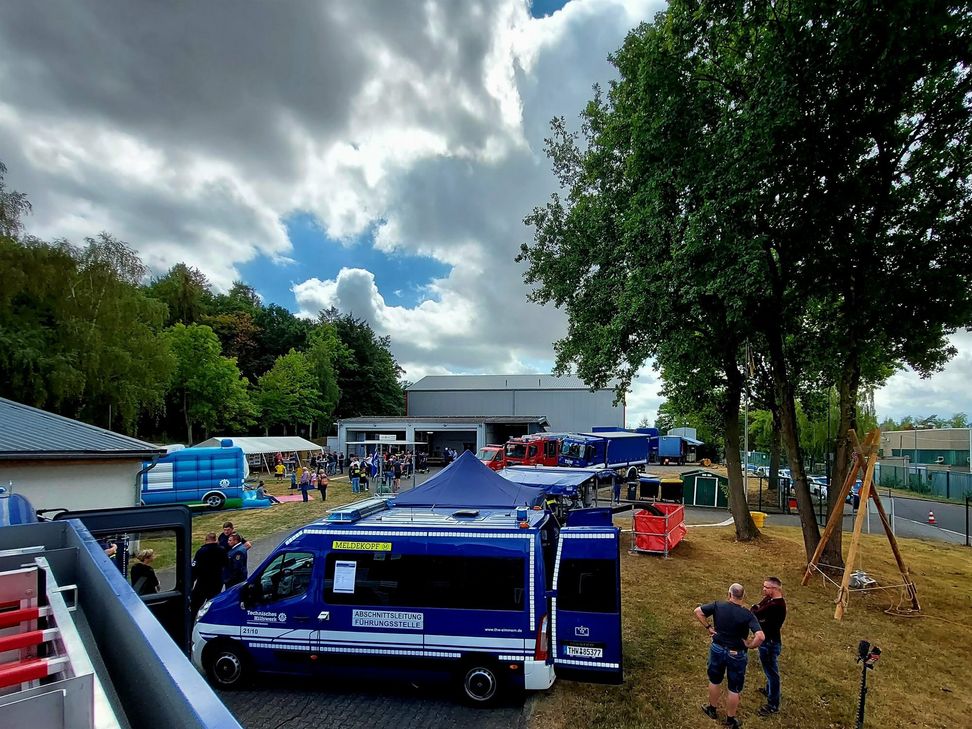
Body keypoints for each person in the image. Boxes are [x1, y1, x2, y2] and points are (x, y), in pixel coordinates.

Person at [695, 583, 765, 728]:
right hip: (736, 654)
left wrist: (708, 627)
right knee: (734, 688)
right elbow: (760, 636)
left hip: (717, 648)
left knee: (714, 680)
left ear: (729, 595)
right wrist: (749, 645)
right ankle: (731, 719)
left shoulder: (718, 606)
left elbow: (698, 611)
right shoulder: (747, 615)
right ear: (743, 596)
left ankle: (712, 709)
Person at [752, 577, 787, 717]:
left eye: (766, 587)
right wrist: (757, 609)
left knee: (772, 673)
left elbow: (755, 612)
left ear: (775, 589)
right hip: (768, 641)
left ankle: (773, 704)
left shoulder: (776, 606)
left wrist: (757, 611)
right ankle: (769, 689)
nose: (764, 589)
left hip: (770, 643)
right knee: (769, 671)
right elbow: (756, 608)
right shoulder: (769, 600)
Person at [190, 532, 227, 617]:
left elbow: (195, 568)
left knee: (196, 604)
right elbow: (226, 564)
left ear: (206, 540)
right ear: (215, 540)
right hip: (217, 581)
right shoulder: (222, 550)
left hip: (203, 582)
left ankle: (193, 621)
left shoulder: (201, 551)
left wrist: (191, 582)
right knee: (212, 603)